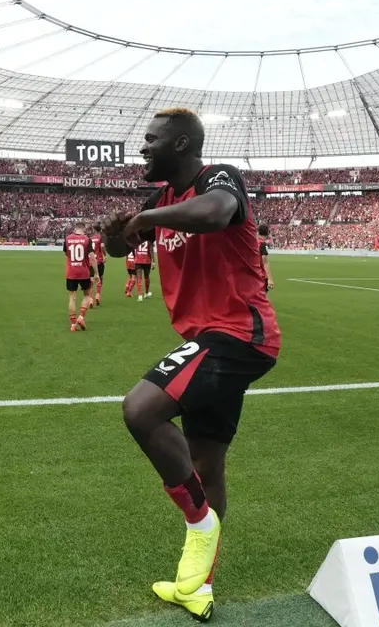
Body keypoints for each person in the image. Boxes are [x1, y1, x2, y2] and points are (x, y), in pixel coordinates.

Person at [101, 108, 280, 621]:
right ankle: (197, 586)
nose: (142, 147)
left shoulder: (219, 177)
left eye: (151, 140)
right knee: (208, 465)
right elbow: (119, 249)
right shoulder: (159, 199)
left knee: (140, 410)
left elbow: (216, 213)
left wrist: (145, 218)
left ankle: (200, 526)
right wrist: (120, 230)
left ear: (180, 145)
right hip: (212, 336)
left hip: (239, 334)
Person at [64, 222, 94, 331]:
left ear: (75, 229)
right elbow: (92, 257)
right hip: (84, 272)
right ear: (83, 229)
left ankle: (73, 324)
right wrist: (95, 273)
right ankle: (81, 317)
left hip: (71, 272)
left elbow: (66, 254)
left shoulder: (67, 239)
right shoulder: (86, 239)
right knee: (86, 295)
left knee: (72, 297)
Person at [90, 225, 106, 306]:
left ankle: (90, 300)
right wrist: (105, 255)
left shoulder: (90, 238)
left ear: (94, 229)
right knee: (100, 277)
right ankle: (97, 295)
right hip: (99, 261)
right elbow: (102, 246)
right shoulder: (101, 237)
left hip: (91, 262)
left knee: (91, 280)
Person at [257, 224, 274, 291]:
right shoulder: (262, 244)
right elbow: (265, 262)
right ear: (268, 234)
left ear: (258, 232)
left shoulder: (252, 242)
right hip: (261, 276)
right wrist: (270, 279)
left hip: (252, 275)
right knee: (262, 298)